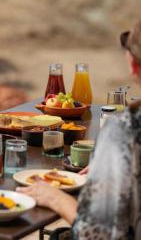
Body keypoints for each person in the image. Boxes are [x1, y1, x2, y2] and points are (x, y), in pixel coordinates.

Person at [18, 19, 141, 240]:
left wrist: (56, 198)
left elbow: (97, 234)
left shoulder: (126, 128)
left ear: (133, 64)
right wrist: (112, 168)